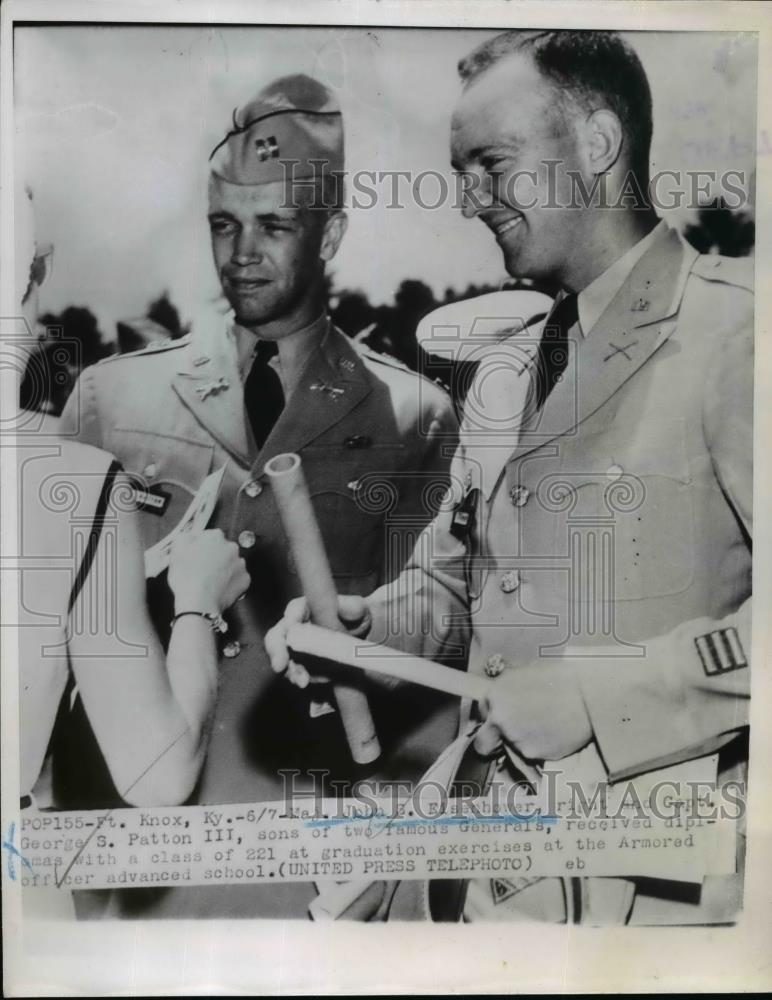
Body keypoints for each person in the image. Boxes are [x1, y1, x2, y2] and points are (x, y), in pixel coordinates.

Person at [267, 31, 752, 925]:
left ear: (599, 145)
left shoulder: (736, 338)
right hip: (490, 879)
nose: (467, 199)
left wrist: (602, 700)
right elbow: (467, 583)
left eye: (491, 163)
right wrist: (367, 627)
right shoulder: (513, 365)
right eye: (458, 171)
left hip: (650, 908)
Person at [59, 74, 458, 919]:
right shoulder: (109, 401)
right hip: (136, 871)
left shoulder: (417, 418)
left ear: (332, 230)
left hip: (310, 875)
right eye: (224, 225)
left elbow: (428, 661)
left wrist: (394, 865)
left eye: (275, 225)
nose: (243, 252)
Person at [10, 188, 249, 916]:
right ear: (25, 284)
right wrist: (196, 601)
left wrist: (105, 587)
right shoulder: (70, 480)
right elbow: (158, 773)